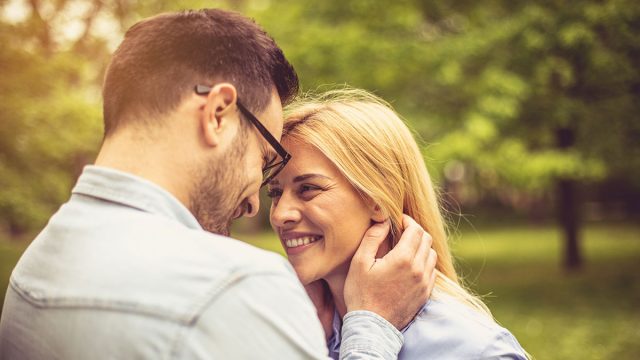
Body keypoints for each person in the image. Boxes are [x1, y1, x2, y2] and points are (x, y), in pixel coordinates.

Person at [0, 9, 438, 360]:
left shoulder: (36, 264)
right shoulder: (233, 287)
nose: (254, 203)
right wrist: (372, 330)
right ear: (217, 114)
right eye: (265, 158)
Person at [268, 88, 529, 359]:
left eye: (308, 188)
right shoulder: (297, 331)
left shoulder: (472, 349)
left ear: (378, 200)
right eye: (274, 192)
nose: (279, 214)